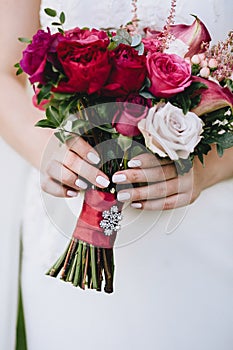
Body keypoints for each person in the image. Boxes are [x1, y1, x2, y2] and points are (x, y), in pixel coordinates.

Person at [0, 0, 233, 349]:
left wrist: (205, 171)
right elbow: (4, 70)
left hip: (203, 223)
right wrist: (52, 154)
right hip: (68, 210)